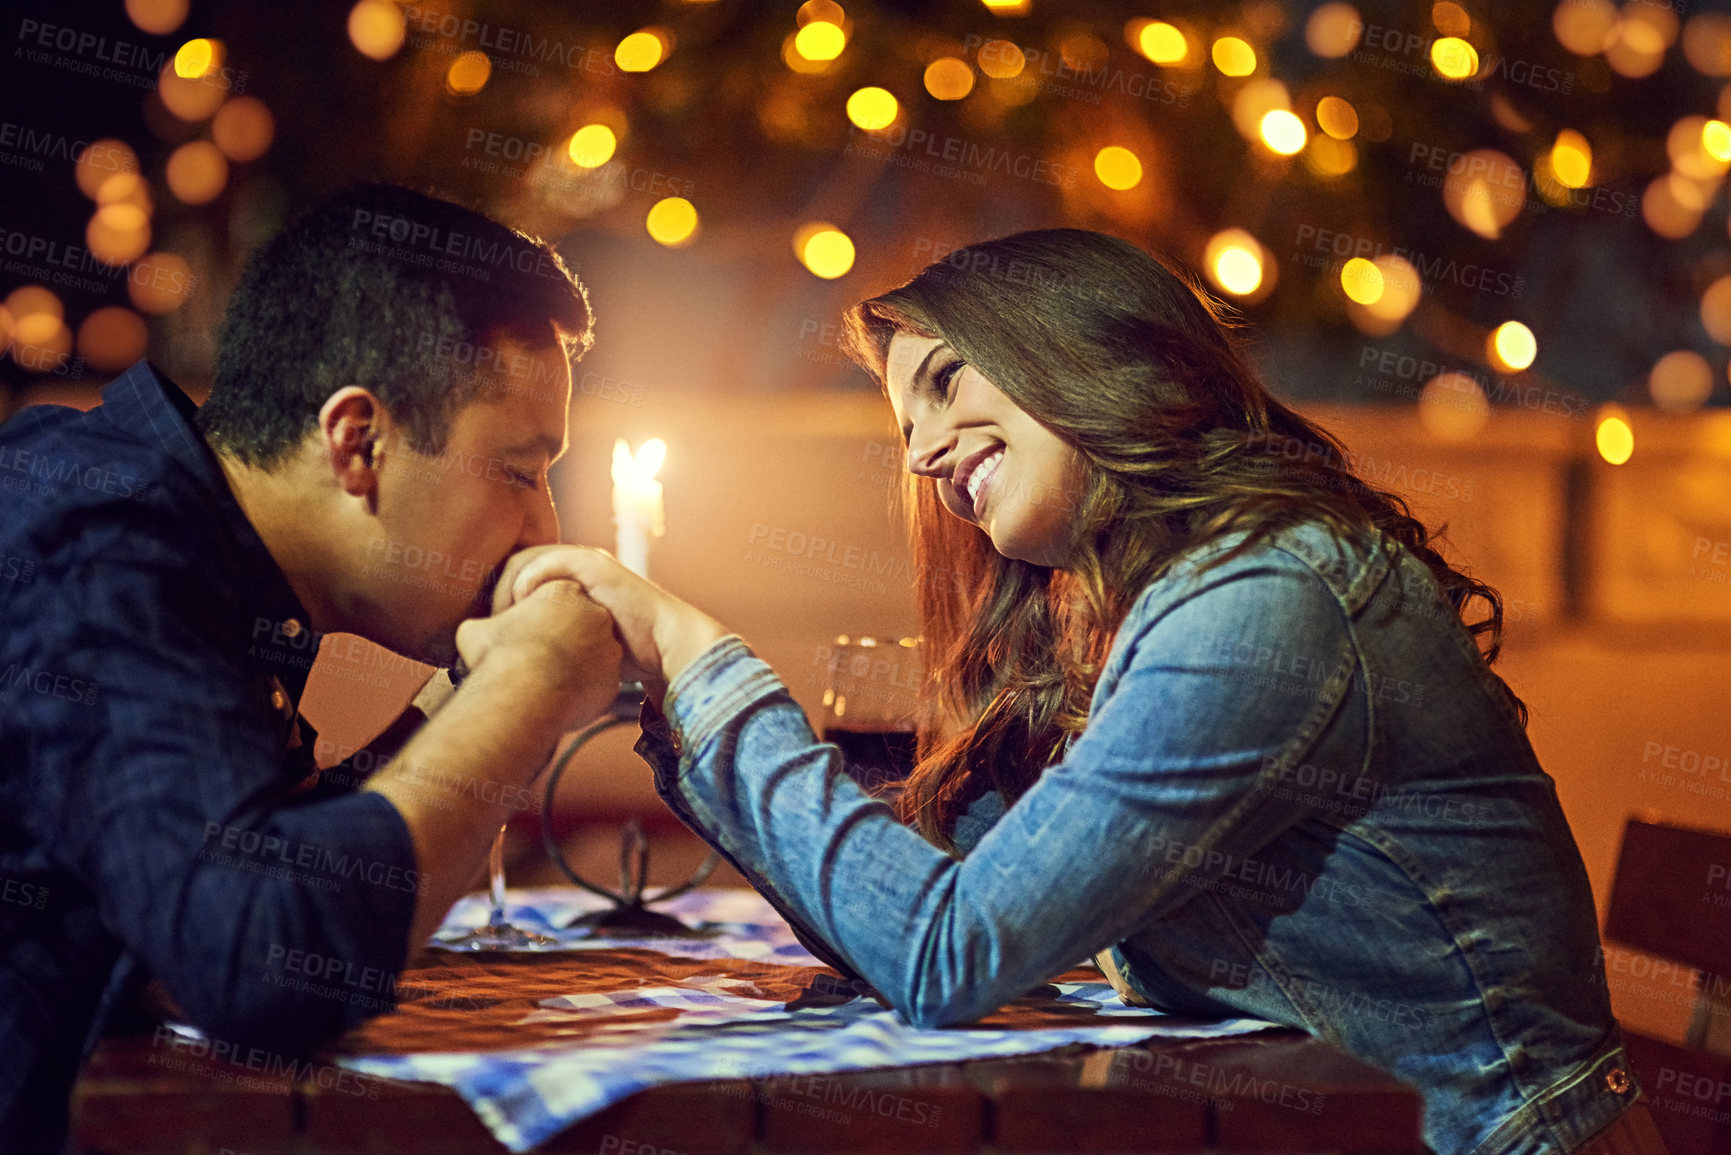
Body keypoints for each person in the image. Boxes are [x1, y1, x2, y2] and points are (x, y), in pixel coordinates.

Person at [499, 229, 1667, 1155]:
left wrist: (704, 660)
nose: (919, 453)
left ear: (1089, 353)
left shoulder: (1265, 601)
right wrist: (671, 703)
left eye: (949, 384)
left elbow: (944, 953)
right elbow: (904, 911)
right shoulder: (1140, 610)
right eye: (907, 425)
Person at [0, 184, 621, 1151]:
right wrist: (528, 683)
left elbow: (256, 860)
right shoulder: (96, 539)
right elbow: (266, 959)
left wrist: (465, 700)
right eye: (518, 470)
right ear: (358, 440)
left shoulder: (172, 532)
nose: (545, 526)